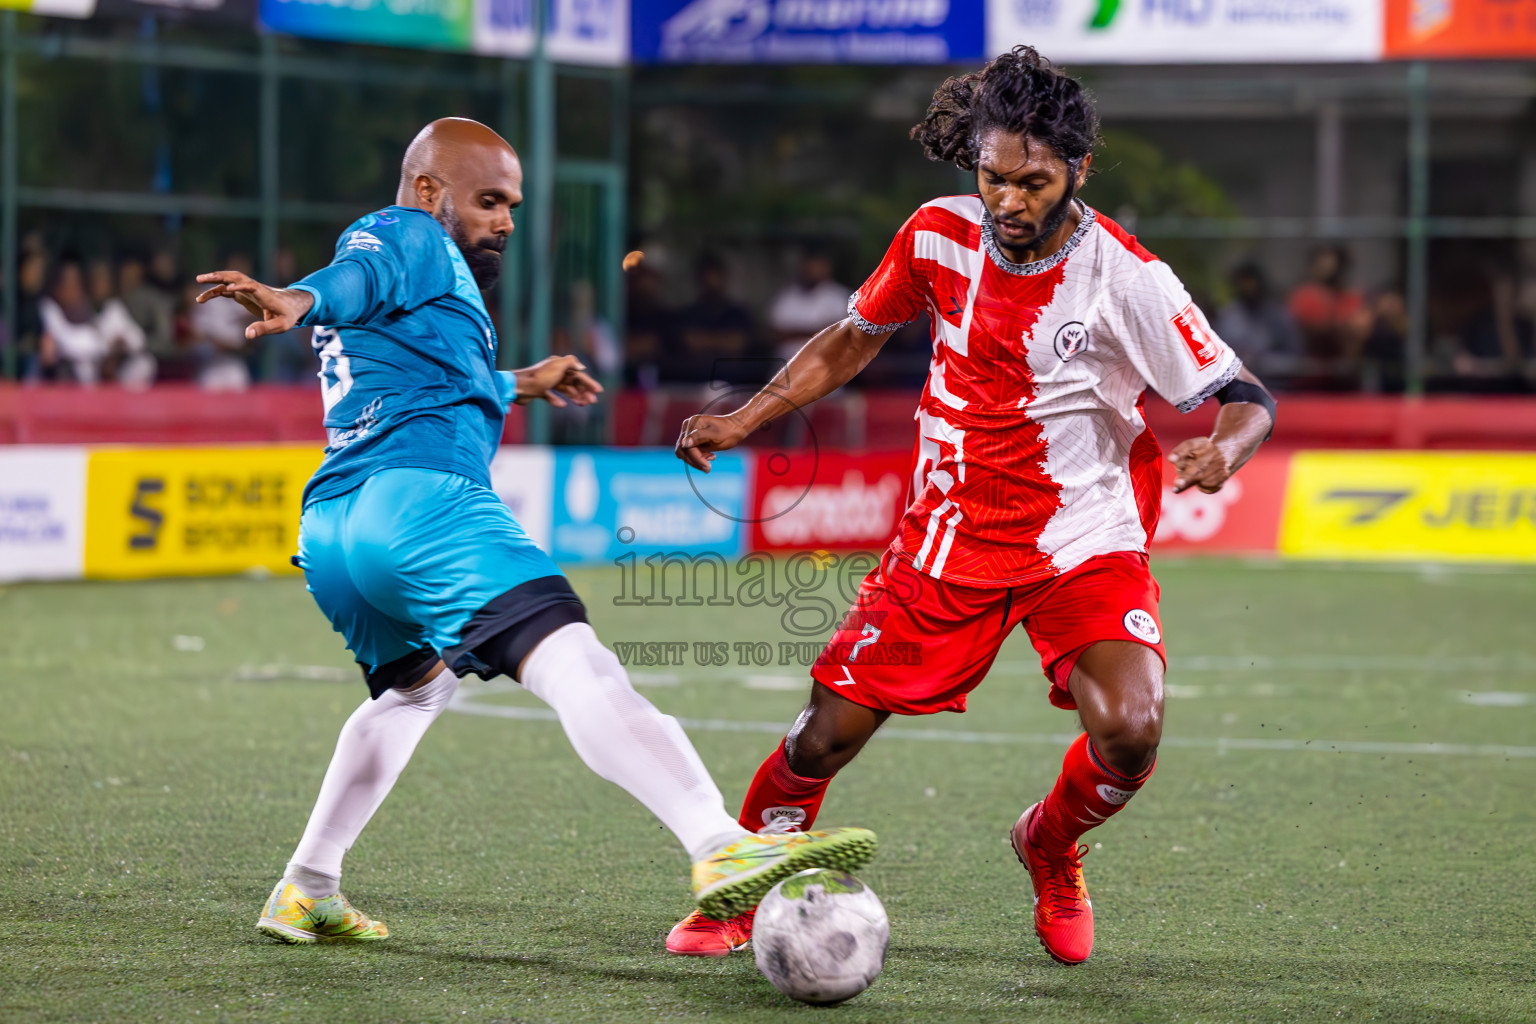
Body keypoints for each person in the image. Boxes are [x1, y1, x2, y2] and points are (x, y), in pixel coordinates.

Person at [194, 117, 875, 946]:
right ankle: (718, 842)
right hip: (422, 504)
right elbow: (352, 275)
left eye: (512, 204)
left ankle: (306, 885)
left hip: (336, 527)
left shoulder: (429, 285)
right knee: (576, 660)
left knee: (415, 690)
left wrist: (524, 380)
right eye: (488, 201)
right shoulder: (404, 231)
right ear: (430, 191)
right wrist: (296, 299)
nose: (506, 220)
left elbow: (435, 369)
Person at [672, 47, 1275, 964]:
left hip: (1081, 540)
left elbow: (1246, 396)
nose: (1009, 201)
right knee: (822, 737)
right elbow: (850, 340)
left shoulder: (1128, 279)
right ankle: (740, 888)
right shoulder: (933, 236)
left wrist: (1223, 450)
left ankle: (1050, 844)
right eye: (993, 177)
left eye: (1033, 181)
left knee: (1130, 729)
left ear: (1076, 168)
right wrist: (746, 417)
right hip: (947, 539)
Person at [1287, 245, 1370, 380]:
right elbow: (1306, 329)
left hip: (1347, 373)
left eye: (1334, 266)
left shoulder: (1352, 297)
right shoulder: (1304, 296)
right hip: (1309, 372)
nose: (1329, 271)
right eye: (1323, 266)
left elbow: (1359, 330)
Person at [1213, 262, 1299, 379]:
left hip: (1274, 383)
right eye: (1243, 282)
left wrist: (1264, 362)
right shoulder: (1228, 314)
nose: (1248, 287)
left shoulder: (1277, 316)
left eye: (1251, 282)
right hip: (1235, 381)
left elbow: (1293, 356)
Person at [769, 251, 851, 365]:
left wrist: (796, 332)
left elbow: (841, 331)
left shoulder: (839, 295)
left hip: (827, 362)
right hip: (787, 361)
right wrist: (816, 331)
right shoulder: (788, 295)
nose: (814, 271)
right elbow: (776, 334)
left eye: (818, 266)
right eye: (810, 267)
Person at [191, 251, 257, 390]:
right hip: (211, 366)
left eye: (243, 267)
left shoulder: (249, 297)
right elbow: (196, 334)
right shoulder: (207, 294)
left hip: (235, 365)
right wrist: (215, 342)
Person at [38, 258, 105, 383]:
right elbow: (64, 342)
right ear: (57, 286)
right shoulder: (48, 308)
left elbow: (101, 344)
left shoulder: (87, 309)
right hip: (57, 384)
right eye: (67, 283)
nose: (72, 288)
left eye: (76, 282)